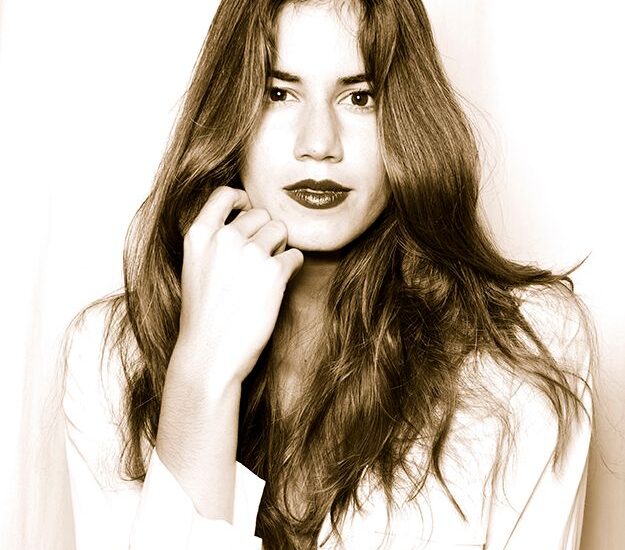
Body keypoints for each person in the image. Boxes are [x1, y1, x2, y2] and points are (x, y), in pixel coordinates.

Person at [61, 0, 594, 548]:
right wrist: (200, 377)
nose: (319, 144)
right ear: (229, 111)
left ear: (408, 118)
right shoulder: (111, 355)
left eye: (359, 97)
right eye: (279, 93)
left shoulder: (524, 352)